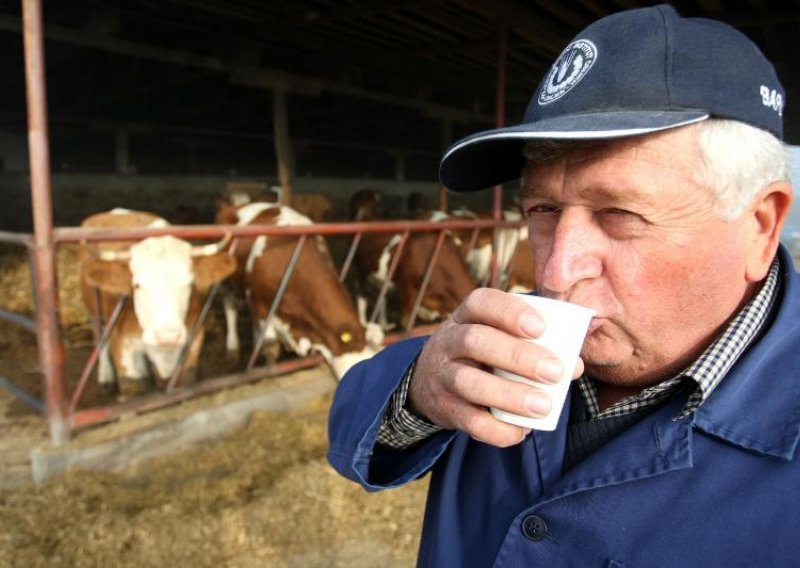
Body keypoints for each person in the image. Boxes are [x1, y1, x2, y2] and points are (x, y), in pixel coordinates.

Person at [328, 5, 800, 566]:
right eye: (544, 208)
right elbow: (356, 419)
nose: (553, 273)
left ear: (759, 227)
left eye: (620, 214)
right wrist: (422, 392)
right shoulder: (511, 338)